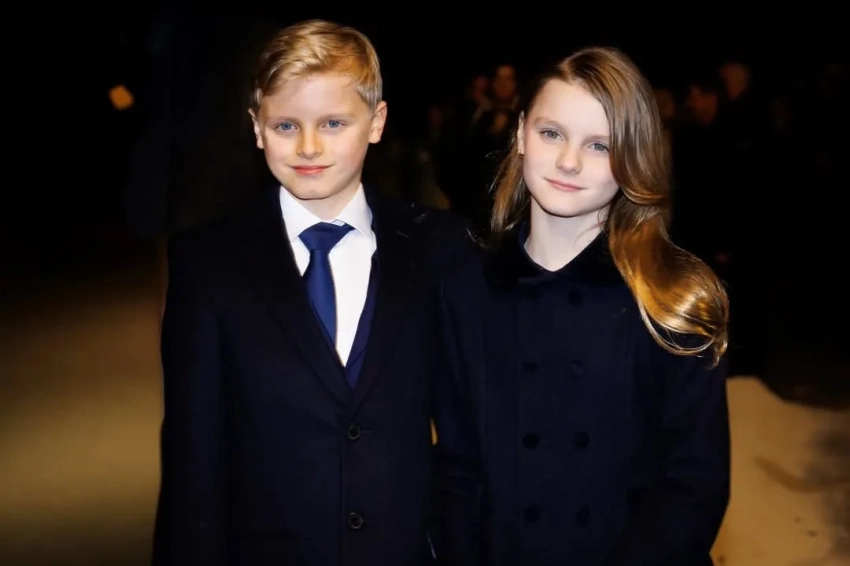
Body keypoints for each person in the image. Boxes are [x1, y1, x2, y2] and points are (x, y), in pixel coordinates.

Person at [153, 19, 468, 565]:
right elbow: (192, 454)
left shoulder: (440, 247)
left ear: (376, 122)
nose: (308, 147)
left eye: (333, 122)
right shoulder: (208, 263)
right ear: (256, 127)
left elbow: (468, 434)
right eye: (285, 126)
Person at [434, 47, 731, 565]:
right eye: (552, 133)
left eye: (599, 145)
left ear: (633, 157)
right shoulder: (467, 291)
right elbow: (458, 469)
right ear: (521, 132)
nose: (569, 161)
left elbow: (693, 488)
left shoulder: (671, 297)